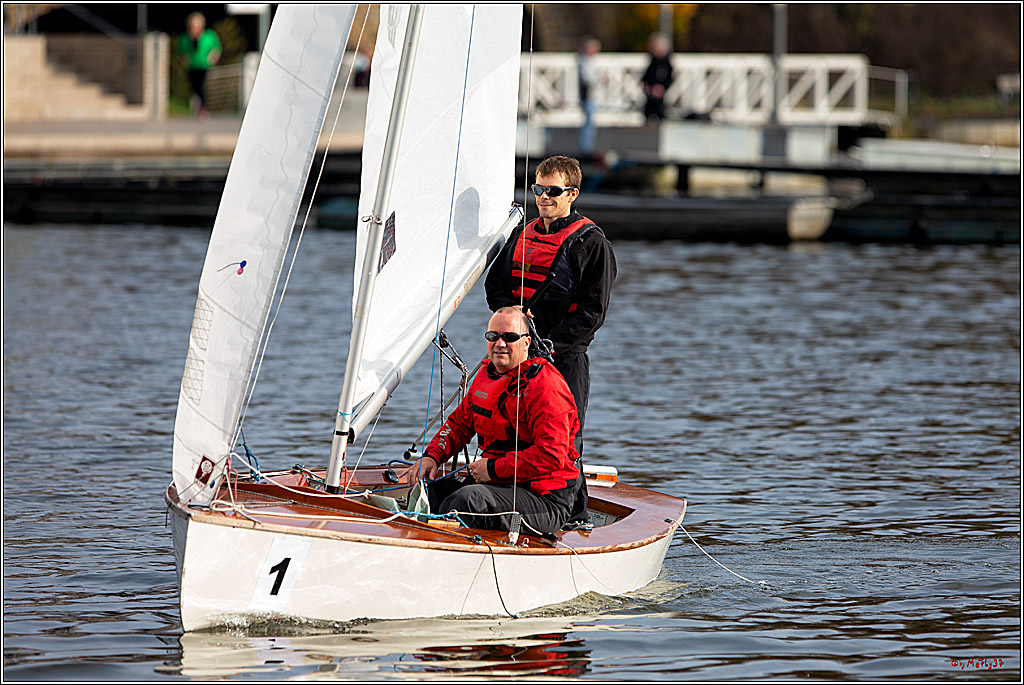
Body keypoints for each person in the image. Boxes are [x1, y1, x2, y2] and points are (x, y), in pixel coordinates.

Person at [398, 307, 583, 534]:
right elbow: (459, 424)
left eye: (510, 337)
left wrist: (494, 469)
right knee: (427, 492)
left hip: (545, 499)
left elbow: (551, 454)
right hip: (499, 483)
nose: (500, 343)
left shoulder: (545, 387)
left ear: (526, 343)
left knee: (469, 501)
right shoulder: (486, 374)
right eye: (493, 336)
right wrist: (432, 456)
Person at [485, 155, 615, 441]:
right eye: (538, 190)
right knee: (508, 433)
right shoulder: (520, 234)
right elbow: (494, 285)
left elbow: (593, 314)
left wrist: (549, 346)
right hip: (517, 354)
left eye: (553, 191)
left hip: (563, 359)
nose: (543, 197)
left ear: (572, 194)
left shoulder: (592, 245)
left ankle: (566, 486)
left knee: (561, 438)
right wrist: (510, 309)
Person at [178, 12, 222, 118]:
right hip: (192, 66)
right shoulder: (185, 38)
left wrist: (212, 59)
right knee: (195, 87)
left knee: (202, 86)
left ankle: (203, 108)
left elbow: (216, 48)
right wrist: (184, 60)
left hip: (204, 66)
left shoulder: (209, 36)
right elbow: (181, 52)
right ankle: (199, 107)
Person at [577, 37, 601, 157]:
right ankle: (585, 148)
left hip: (592, 96)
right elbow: (588, 79)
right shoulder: (584, 62)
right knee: (588, 123)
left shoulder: (589, 61)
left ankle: (587, 146)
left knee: (590, 123)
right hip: (588, 96)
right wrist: (600, 79)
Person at [641, 32, 673, 122]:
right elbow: (646, 77)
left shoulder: (666, 63)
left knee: (661, 111)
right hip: (650, 95)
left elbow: (669, 78)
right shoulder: (652, 62)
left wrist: (661, 88)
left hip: (662, 96)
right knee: (648, 111)